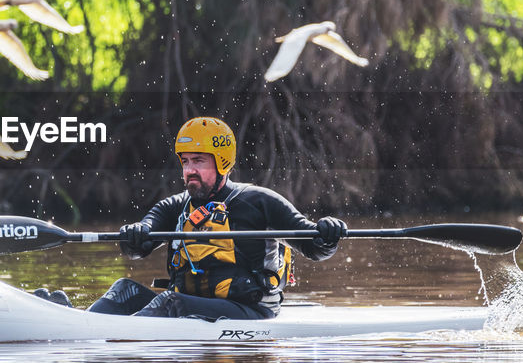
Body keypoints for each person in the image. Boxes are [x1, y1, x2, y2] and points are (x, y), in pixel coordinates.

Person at [86, 116, 348, 320]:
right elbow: (137, 247)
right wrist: (134, 234)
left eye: (198, 161)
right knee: (124, 290)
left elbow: (314, 247)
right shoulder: (176, 206)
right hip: (189, 306)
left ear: (222, 161)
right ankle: (82, 324)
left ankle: (113, 335)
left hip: (251, 311)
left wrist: (328, 233)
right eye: (185, 162)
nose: (190, 170)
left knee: (169, 302)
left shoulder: (259, 202)